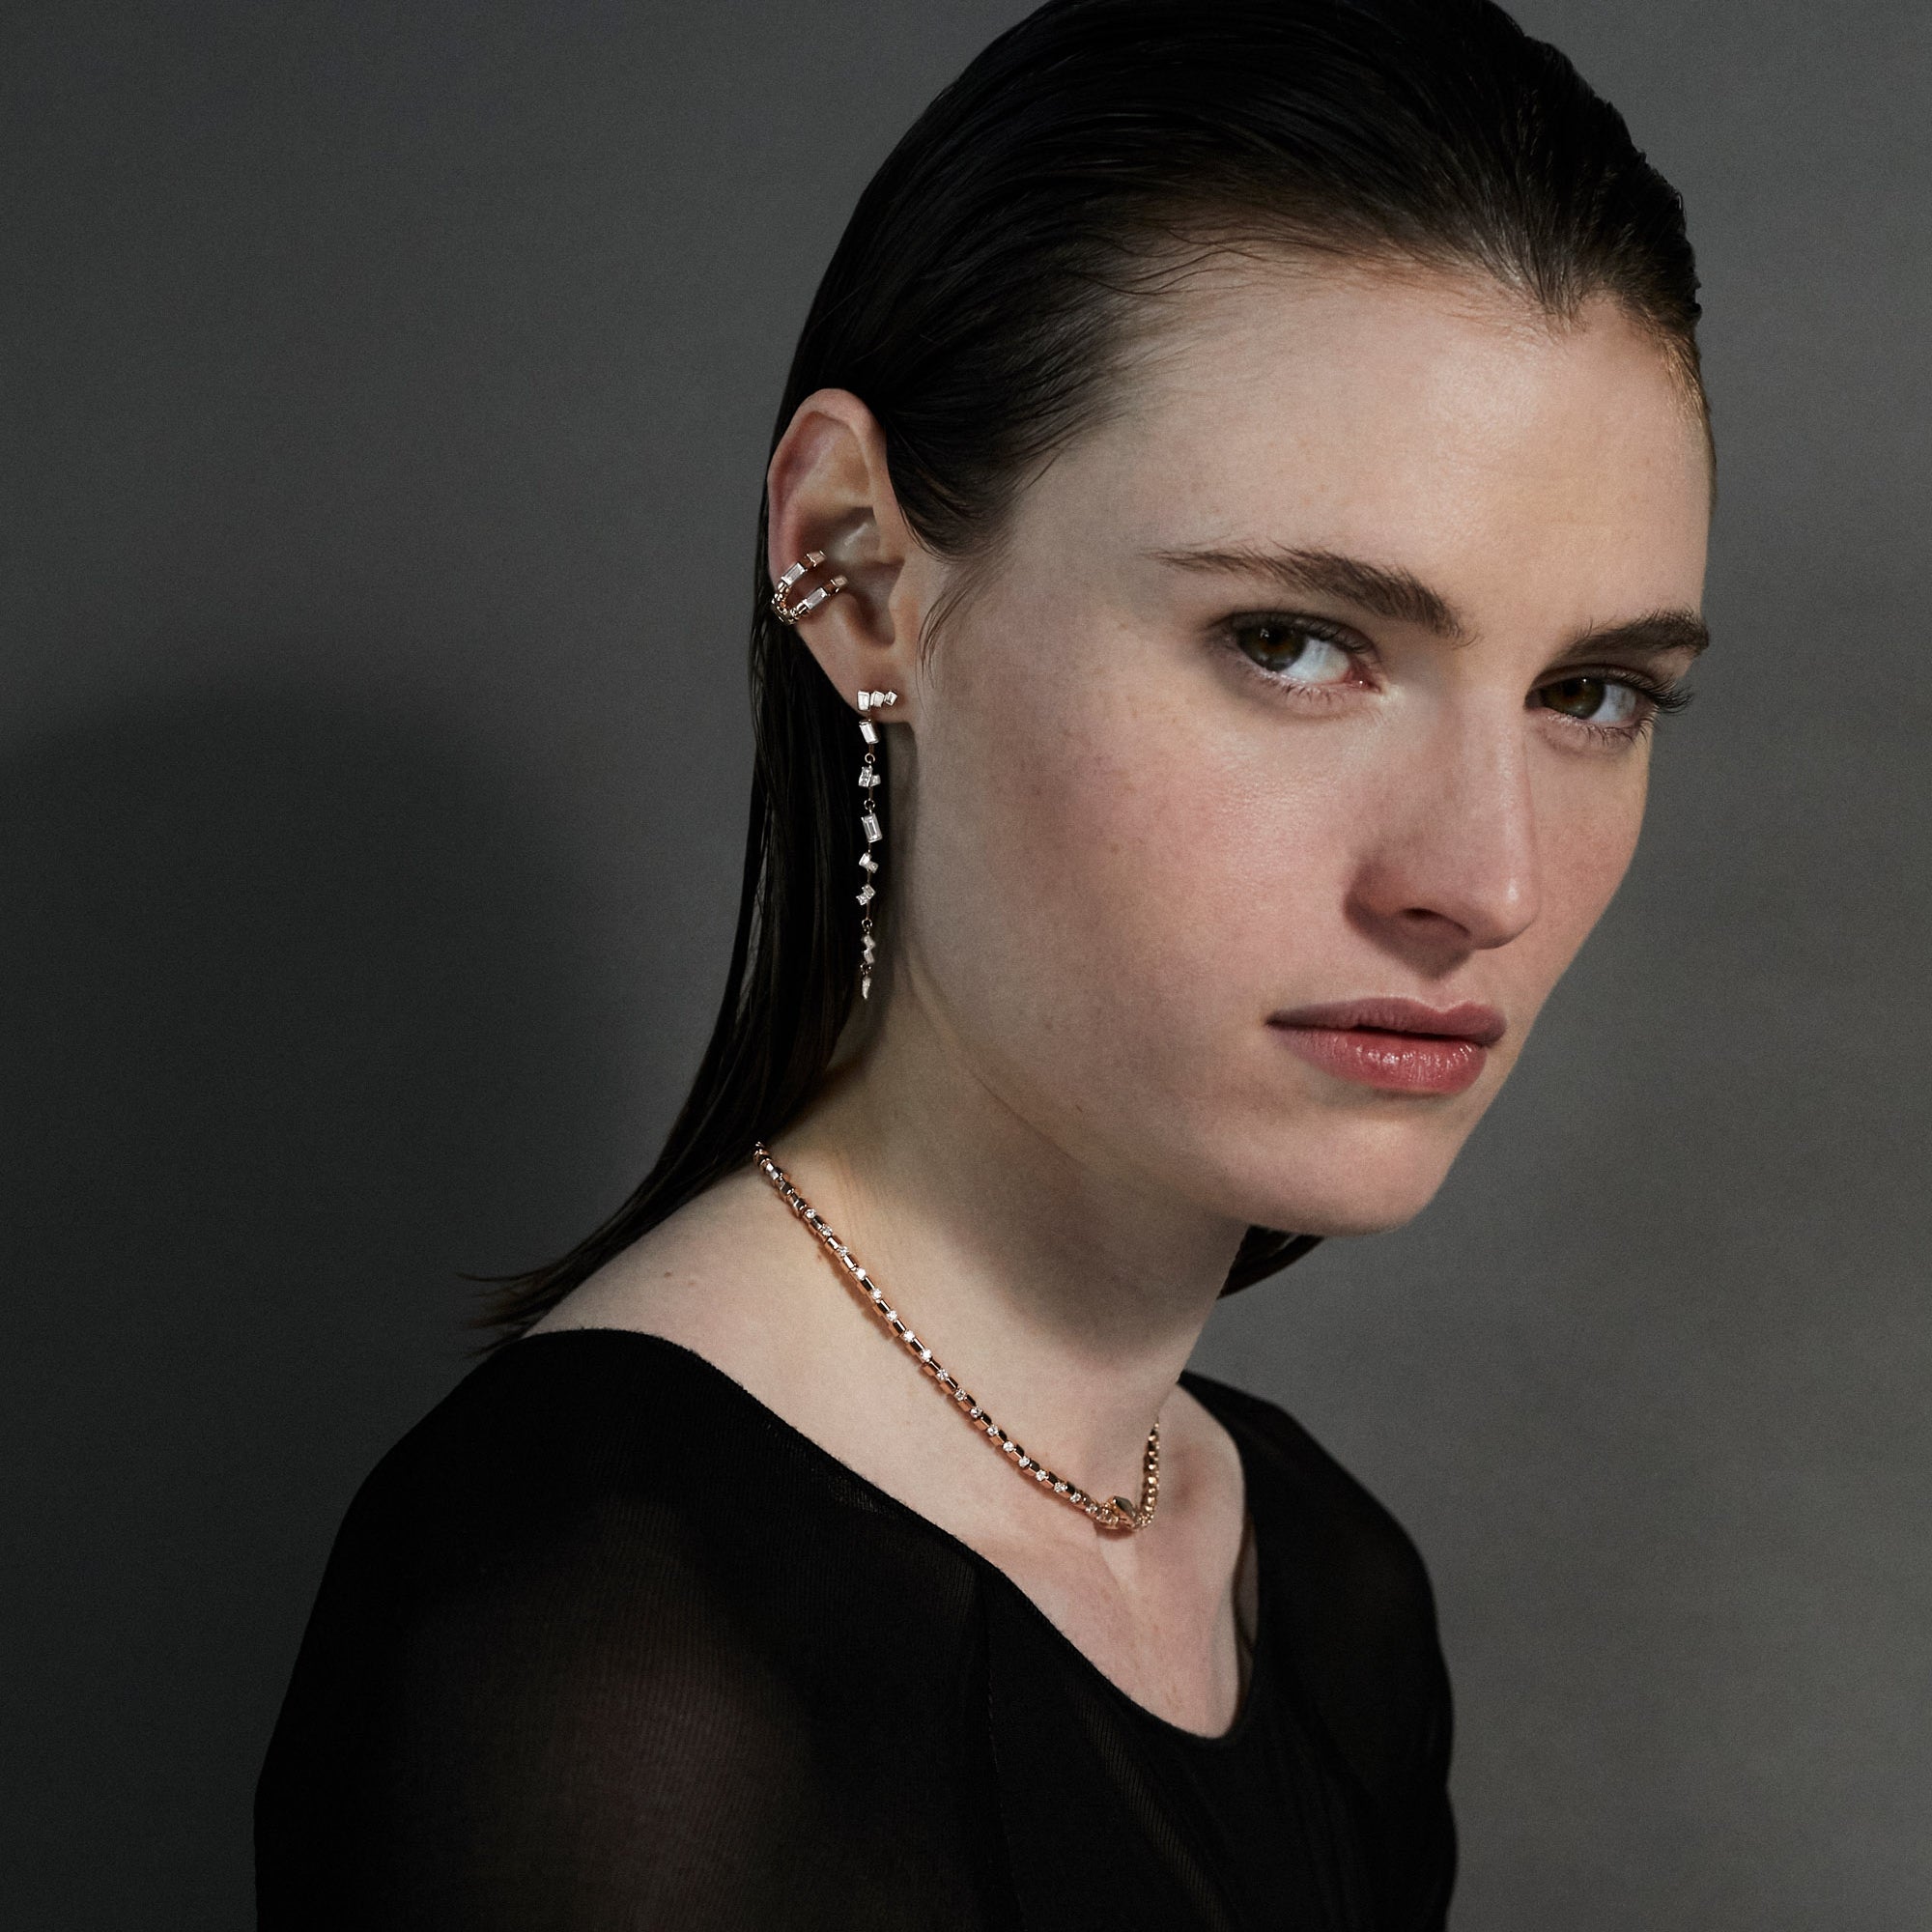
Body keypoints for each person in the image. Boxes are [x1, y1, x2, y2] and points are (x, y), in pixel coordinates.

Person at [254, 0, 1712, 1924]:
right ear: (856, 571)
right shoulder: (616, 1645)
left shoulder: (1320, 1584)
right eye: (1292, 642)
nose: (1487, 878)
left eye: (1593, 693)